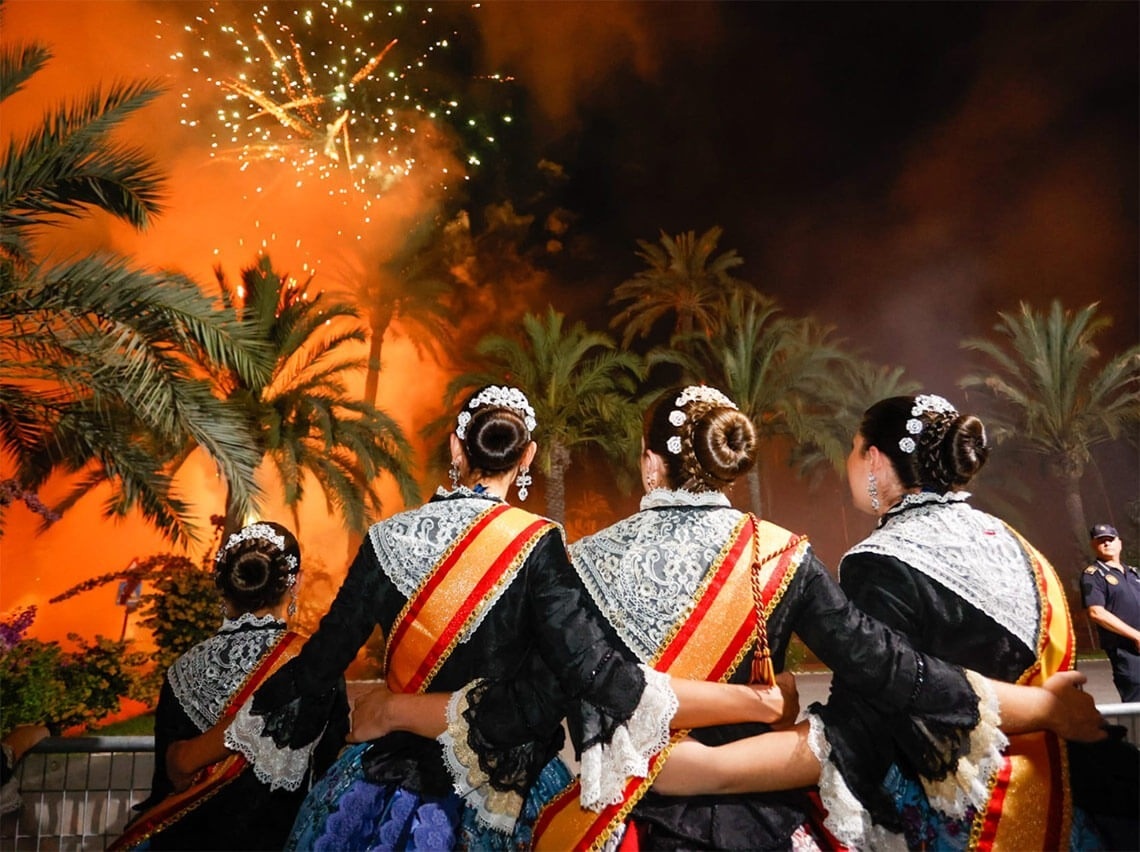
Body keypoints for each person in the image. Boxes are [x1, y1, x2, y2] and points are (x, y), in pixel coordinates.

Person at [359, 386, 1103, 851]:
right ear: (730, 465)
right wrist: (1038, 703)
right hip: (766, 819)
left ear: (651, 465)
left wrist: (404, 712)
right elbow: (891, 672)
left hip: (612, 822)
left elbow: (532, 702)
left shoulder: (583, 560)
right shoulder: (784, 556)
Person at [164, 385, 794, 850]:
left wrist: (244, 728)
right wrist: (751, 703)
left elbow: (318, 667)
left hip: (374, 785)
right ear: (529, 458)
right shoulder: (542, 543)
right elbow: (583, 672)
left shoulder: (388, 537)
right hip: (504, 793)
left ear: (455, 447)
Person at [659, 394, 1129, 850]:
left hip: (973, 822)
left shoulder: (880, 562)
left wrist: (713, 768)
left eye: (852, 448)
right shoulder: (1016, 543)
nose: (848, 462)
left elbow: (858, 728)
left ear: (875, 461)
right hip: (1073, 797)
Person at [111, 522, 348, 851]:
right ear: (295, 583)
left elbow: (168, 782)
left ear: (225, 589)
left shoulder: (183, 668)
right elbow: (327, 778)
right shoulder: (315, 666)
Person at [1080, 523, 1140, 702]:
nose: (1107, 544)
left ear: (1119, 543)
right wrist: (1136, 636)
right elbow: (1097, 613)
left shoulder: (1134, 574)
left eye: (1110, 539)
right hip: (1127, 652)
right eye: (1101, 541)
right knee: (1136, 705)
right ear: (1093, 545)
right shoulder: (1093, 575)